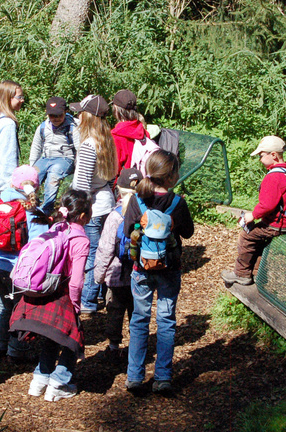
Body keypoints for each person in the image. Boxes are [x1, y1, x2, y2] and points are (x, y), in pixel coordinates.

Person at [9, 189, 92, 402]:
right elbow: (76, 280)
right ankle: (58, 383)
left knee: (53, 335)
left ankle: (39, 380)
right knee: (73, 339)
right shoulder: (80, 239)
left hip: (46, 288)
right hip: (63, 293)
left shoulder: (56, 227)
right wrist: (75, 304)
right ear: (83, 216)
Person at [123, 150, 194, 394]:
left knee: (139, 320)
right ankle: (163, 377)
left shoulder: (137, 200)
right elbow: (188, 233)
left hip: (141, 269)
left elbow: (127, 231)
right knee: (166, 321)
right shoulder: (177, 203)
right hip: (170, 268)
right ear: (172, 176)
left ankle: (134, 376)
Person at [0, 165, 49, 361]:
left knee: (3, 306)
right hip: (17, 271)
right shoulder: (33, 212)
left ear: (13, 184)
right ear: (36, 187)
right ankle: (17, 350)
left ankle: (0, 345)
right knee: (20, 308)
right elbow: (40, 245)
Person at [220, 136, 286, 286]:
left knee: (247, 237)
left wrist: (252, 215)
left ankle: (242, 274)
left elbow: (267, 205)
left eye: (261, 155)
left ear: (273, 155)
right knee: (258, 238)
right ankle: (256, 273)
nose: (260, 159)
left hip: (277, 225)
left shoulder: (274, 177)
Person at [69, 94, 118, 313]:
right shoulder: (107, 140)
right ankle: (99, 293)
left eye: (80, 112)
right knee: (104, 250)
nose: (77, 116)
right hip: (106, 201)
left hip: (92, 207)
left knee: (90, 253)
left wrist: (75, 211)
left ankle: (88, 300)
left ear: (87, 116)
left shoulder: (89, 145)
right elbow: (110, 176)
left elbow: (82, 185)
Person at [94, 168, 142, 360]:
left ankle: (113, 348)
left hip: (117, 275)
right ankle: (137, 347)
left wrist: (98, 276)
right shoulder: (145, 212)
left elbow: (105, 249)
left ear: (118, 190)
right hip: (139, 273)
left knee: (115, 311)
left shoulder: (115, 216)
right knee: (136, 312)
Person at [29, 97, 80, 215]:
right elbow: (36, 147)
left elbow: (79, 149)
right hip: (46, 157)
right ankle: (31, 204)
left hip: (65, 158)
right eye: (52, 116)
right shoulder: (43, 127)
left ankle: (47, 209)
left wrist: (78, 167)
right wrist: (32, 166)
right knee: (32, 176)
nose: (56, 119)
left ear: (65, 112)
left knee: (53, 176)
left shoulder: (72, 127)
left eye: (59, 115)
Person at [110, 89, 148, 174]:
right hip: (144, 179)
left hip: (124, 181)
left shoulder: (115, 137)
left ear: (116, 109)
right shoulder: (144, 132)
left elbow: (114, 170)